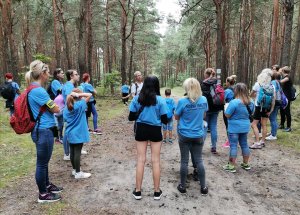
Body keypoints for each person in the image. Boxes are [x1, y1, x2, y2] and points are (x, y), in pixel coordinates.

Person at [27, 60, 62, 203]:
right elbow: (55, 108)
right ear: (42, 74)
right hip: (43, 130)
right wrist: (55, 104)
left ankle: (47, 185)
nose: (49, 75)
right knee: (41, 163)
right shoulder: (39, 91)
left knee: (44, 161)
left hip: (42, 129)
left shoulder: (33, 89)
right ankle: (43, 194)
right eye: (47, 72)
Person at [128, 75, 168, 201]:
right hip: (155, 130)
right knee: (155, 160)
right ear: (157, 85)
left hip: (141, 129)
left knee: (141, 160)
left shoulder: (136, 99)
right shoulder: (161, 100)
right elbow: (165, 120)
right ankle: (156, 192)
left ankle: (138, 191)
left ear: (144, 84)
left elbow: (130, 117)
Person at [175, 78, 208, 196]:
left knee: (184, 161)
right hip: (199, 134)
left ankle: (183, 186)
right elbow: (204, 115)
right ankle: (203, 187)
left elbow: (176, 117)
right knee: (199, 160)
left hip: (184, 134)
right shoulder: (203, 99)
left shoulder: (182, 101)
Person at [223, 83, 254, 173]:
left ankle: (231, 165)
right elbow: (251, 113)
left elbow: (227, 115)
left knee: (233, 146)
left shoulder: (234, 102)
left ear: (236, 91)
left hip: (234, 128)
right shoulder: (251, 102)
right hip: (245, 126)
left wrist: (226, 109)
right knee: (244, 144)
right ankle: (245, 164)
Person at [64, 88, 92, 179]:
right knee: (77, 153)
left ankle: (74, 170)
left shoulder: (67, 107)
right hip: (78, 133)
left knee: (72, 152)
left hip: (70, 133)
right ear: (78, 96)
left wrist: (75, 94)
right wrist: (80, 94)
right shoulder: (80, 105)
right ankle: (78, 173)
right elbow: (89, 95)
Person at [249, 69, 275, 149]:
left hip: (258, 107)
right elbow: (273, 99)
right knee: (264, 124)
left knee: (253, 124)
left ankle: (257, 142)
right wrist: (271, 110)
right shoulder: (272, 86)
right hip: (267, 108)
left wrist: (254, 95)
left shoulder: (258, 84)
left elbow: (250, 95)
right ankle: (262, 141)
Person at [200, 68, 223, 154]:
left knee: (205, 127)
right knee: (213, 127)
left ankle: (200, 146)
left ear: (206, 74)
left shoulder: (203, 84)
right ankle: (214, 147)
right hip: (216, 107)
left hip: (206, 108)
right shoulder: (217, 83)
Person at [62, 70, 80, 160]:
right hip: (69, 112)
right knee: (67, 132)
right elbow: (70, 98)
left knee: (71, 130)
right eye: (76, 74)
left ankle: (75, 149)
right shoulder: (69, 86)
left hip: (72, 111)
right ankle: (66, 153)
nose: (78, 76)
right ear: (71, 76)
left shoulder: (71, 85)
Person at [49, 68, 65, 143]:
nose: (63, 74)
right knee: (56, 122)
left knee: (61, 122)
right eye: (61, 73)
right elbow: (61, 91)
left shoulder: (60, 82)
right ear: (57, 74)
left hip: (60, 104)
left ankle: (59, 137)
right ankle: (57, 137)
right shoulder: (55, 82)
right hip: (54, 104)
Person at [266, 72, 282, 140]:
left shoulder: (273, 82)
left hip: (275, 102)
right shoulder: (277, 82)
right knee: (273, 118)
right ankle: (273, 132)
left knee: (272, 118)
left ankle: (273, 135)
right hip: (278, 101)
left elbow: (273, 93)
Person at [222, 75, 237, 148]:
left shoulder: (227, 91)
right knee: (234, 124)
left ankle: (230, 141)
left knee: (228, 125)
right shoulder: (237, 89)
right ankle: (235, 140)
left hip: (228, 108)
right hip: (237, 109)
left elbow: (223, 100)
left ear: (228, 82)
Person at [279, 66, 293, 132]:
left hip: (287, 97)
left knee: (287, 112)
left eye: (282, 70)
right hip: (283, 97)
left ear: (283, 71)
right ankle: (282, 125)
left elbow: (280, 82)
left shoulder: (287, 78)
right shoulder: (285, 77)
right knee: (282, 111)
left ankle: (289, 127)